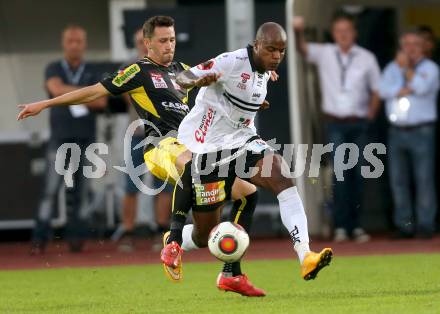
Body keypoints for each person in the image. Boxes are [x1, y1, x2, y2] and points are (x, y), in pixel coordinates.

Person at [17, 16, 262, 296]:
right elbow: (93, 92)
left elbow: (221, 80)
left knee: (248, 193)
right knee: (193, 166)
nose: (169, 45)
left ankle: (232, 273)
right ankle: (172, 244)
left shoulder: (181, 70)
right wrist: (45, 103)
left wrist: (259, 83)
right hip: (159, 147)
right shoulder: (138, 71)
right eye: (162, 41)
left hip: (192, 147)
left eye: (171, 40)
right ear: (147, 43)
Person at [160, 22, 332, 293]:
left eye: (282, 51)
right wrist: (197, 80)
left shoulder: (266, 70)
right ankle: (175, 240)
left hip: (241, 141)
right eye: (271, 49)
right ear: (257, 45)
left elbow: (245, 93)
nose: (276, 56)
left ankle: (305, 255)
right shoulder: (230, 62)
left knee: (281, 176)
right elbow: (182, 79)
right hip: (208, 146)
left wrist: (255, 101)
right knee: (204, 235)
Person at [293, 14, 381, 243]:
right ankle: (342, 225)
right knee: (340, 175)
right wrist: (297, 31)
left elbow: (377, 89)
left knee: (360, 174)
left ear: (354, 33)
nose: (343, 34)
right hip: (335, 124)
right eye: (339, 31)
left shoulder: (366, 58)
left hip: (358, 123)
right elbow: (301, 49)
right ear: (333, 34)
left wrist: (370, 114)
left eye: (347, 30)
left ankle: (357, 225)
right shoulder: (325, 53)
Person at [30, 25, 107, 254]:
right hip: (59, 140)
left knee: (82, 192)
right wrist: (85, 94)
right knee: (50, 191)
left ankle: (76, 239)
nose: (74, 45)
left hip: (86, 141)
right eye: (70, 41)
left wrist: (66, 94)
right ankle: (39, 239)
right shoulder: (53, 67)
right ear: (64, 43)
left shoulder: (92, 70)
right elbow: (54, 89)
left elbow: (101, 102)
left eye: (78, 41)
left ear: (84, 44)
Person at [378, 30, 439, 239]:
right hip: (397, 131)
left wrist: (405, 71)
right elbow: (382, 90)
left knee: (424, 179)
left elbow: (421, 87)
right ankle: (405, 225)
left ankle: (425, 225)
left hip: (422, 130)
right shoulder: (391, 68)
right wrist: (402, 87)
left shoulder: (430, 68)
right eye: (406, 44)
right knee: (398, 180)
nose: (410, 48)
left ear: (423, 47)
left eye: (415, 44)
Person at [118, 28, 172, 252]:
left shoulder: (166, 66)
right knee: (131, 185)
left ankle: (161, 230)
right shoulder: (128, 67)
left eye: (146, 41)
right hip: (138, 133)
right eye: (140, 41)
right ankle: (128, 232)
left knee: (163, 185)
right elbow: (123, 92)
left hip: (162, 134)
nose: (143, 45)